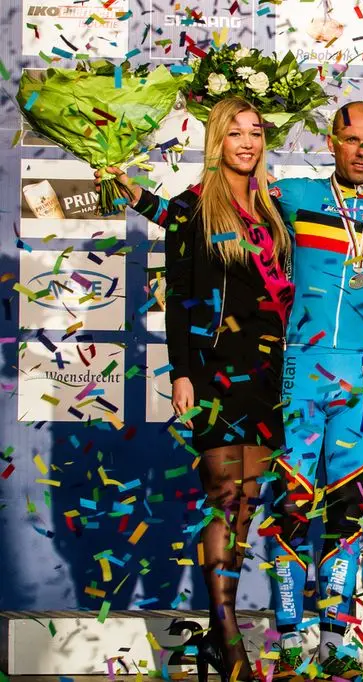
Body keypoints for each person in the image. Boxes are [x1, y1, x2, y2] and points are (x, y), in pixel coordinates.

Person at [101, 97, 293, 681]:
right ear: (217, 141)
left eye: (255, 132)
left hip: (266, 375)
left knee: (246, 509)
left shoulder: (275, 209)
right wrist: (180, 372)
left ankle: (217, 630)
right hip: (213, 370)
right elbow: (180, 298)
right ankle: (229, 634)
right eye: (234, 133)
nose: (247, 142)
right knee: (223, 496)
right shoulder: (193, 207)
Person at [265, 100, 363, 677]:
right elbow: (231, 212)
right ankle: (290, 632)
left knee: (352, 504)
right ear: (332, 141)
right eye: (353, 140)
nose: (362, 152)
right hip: (300, 367)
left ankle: (336, 633)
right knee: (293, 501)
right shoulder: (296, 196)